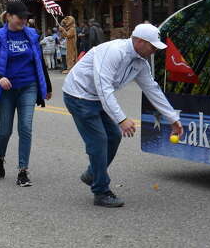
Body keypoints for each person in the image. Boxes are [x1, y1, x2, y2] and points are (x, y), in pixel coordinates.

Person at [62, 23, 183, 207]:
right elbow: (104, 88)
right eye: (152, 46)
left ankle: (93, 173)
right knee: (99, 141)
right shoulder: (114, 51)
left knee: (114, 136)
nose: (154, 51)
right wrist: (122, 119)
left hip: (96, 97)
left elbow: (152, 90)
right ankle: (101, 191)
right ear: (140, 42)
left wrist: (173, 118)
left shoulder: (140, 63)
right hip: (78, 95)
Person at [0, 0, 52, 186]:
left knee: (26, 128)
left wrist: (48, 87)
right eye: (20, 17)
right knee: (5, 130)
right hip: (6, 90)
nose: (23, 20)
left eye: (25, 18)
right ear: (9, 17)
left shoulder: (32, 35)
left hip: (28, 87)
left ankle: (23, 171)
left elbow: (39, 61)